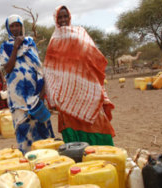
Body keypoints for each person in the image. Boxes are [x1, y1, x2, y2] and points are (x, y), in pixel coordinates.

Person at [44, 6, 115, 146]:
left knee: (97, 121)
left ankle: (102, 153)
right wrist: (53, 95)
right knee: (72, 127)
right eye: (60, 17)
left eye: (66, 17)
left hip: (87, 88)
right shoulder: (54, 40)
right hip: (66, 94)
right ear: (56, 20)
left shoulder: (80, 32)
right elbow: (50, 70)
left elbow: (93, 56)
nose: (63, 20)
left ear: (70, 18)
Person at [0, 14, 54, 154]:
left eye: (17, 25)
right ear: (8, 28)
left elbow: (38, 67)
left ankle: (47, 158)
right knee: (23, 127)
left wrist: (42, 92)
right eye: (12, 26)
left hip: (34, 93)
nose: (15, 28)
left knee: (41, 126)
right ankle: (28, 159)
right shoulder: (5, 47)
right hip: (17, 97)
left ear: (22, 26)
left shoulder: (30, 42)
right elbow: (7, 69)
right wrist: (16, 47)